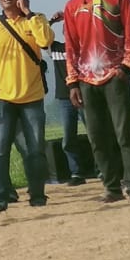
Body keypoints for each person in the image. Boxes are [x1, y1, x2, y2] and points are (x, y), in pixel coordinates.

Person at [63, 0, 130, 203]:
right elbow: (70, 46)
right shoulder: (72, 6)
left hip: (114, 74)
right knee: (97, 137)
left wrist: (127, 67)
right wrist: (72, 81)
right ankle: (111, 187)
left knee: (124, 133)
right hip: (86, 80)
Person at [0, 0, 55, 211]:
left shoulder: (34, 20)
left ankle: (38, 194)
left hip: (32, 98)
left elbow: (45, 40)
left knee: (35, 149)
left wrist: (29, 13)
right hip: (2, 98)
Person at [50, 13, 89, 185]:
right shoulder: (56, 48)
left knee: (95, 132)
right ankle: (76, 173)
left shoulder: (85, 48)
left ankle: (104, 169)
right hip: (65, 99)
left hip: (86, 95)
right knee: (68, 136)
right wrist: (51, 21)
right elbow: (40, 36)